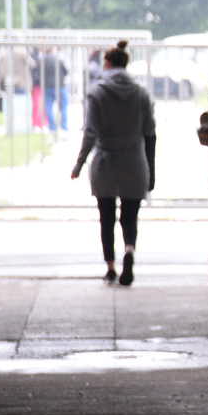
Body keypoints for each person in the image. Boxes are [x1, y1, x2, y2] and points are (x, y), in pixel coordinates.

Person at [71, 40, 156, 286]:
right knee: (130, 216)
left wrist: (78, 164)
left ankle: (110, 267)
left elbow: (90, 133)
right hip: (134, 161)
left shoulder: (96, 93)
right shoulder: (141, 93)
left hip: (105, 162)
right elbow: (150, 132)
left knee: (106, 217)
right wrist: (151, 169)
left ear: (106, 64)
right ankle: (129, 250)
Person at [0, 43, 32, 136]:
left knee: (9, 109)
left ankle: (10, 127)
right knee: (23, 108)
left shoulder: (2, 55)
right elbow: (33, 64)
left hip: (8, 84)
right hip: (22, 84)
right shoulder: (22, 53)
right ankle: (22, 128)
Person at [39, 47, 69, 132]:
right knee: (64, 106)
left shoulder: (42, 61)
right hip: (60, 86)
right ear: (53, 50)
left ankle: (52, 127)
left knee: (48, 107)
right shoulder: (59, 59)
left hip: (47, 86)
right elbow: (66, 71)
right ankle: (64, 127)